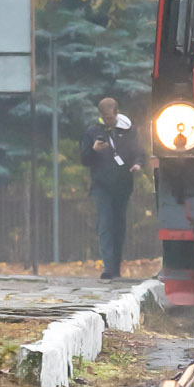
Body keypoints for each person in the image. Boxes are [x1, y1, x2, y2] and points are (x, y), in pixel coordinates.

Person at [83, 95, 138, 279]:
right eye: (105, 118)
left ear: (117, 113)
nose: (108, 121)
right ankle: (108, 268)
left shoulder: (127, 130)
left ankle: (116, 267)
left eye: (111, 117)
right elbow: (84, 159)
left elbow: (138, 151)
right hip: (101, 185)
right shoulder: (93, 132)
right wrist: (93, 150)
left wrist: (137, 163)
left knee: (119, 225)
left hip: (122, 185)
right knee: (105, 224)